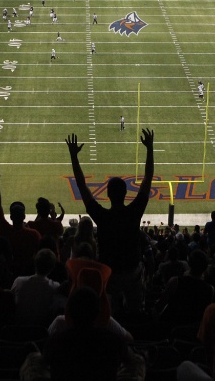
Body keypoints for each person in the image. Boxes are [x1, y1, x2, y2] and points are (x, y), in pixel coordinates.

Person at [66, 128, 155, 315]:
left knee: (109, 312)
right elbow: (147, 180)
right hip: (132, 271)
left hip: (109, 272)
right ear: (126, 194)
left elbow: (82, 185)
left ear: (107, 194)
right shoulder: (134, 212)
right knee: (136, 311)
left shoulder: (102, 216)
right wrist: (149, 148)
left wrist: (74, 157)